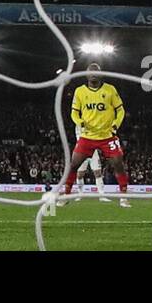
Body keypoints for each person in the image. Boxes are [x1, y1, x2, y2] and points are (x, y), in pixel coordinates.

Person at [61, 63, 130, 207]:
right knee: (73, 165)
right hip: (87, 136)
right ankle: (66, 194)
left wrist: (115, 125)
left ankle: (124, 197)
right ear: (86, 75)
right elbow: (74, 112)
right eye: (90, 72)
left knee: (118, 164)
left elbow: (121, 110)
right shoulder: (79, 91)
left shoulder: (110, 90)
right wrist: (80, 122)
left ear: (101, 74)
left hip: (107, 136)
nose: (93, 74)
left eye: (96, 71)